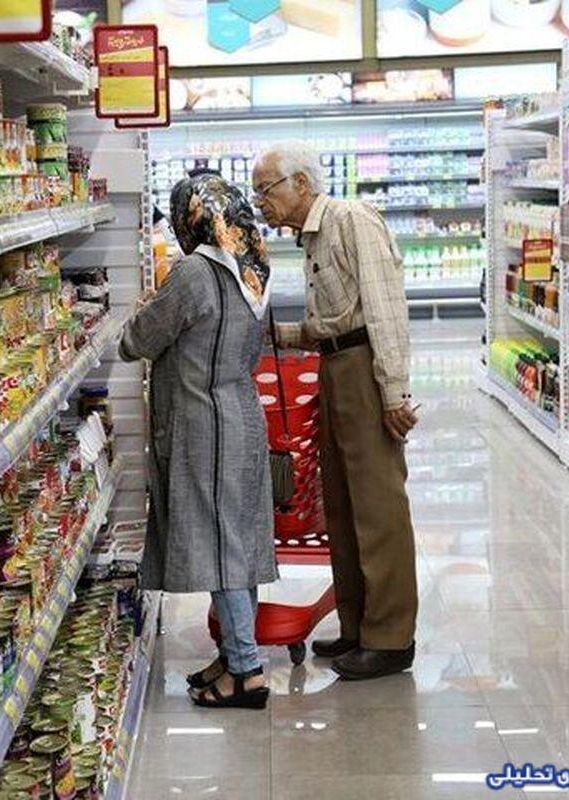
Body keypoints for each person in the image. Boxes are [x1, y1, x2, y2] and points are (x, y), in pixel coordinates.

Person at [252, 140, 420, 681]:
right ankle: (358, 625)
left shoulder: (352, 221)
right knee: (342, 506)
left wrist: (394, 393)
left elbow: (385, 311)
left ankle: (390, 639)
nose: (260, 203)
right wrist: (275, 335)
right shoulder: (311, 238)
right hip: (333, 367)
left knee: (378, 506)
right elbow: (330, 322)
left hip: (364, 371)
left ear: (301, 183)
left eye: (266, 190)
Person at [119, 173, 278, 709]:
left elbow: (138, 340)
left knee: (220, 549)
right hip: (242, 415)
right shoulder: (254, 268)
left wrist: (142, 310)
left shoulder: (192, 272)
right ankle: (234, 655)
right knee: (239, 543)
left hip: (203, 424)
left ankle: (247, 672)